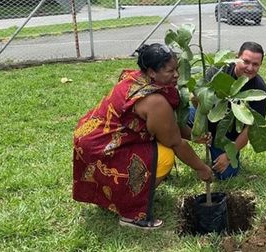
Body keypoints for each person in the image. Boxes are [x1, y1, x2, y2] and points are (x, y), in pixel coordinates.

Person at [72, 43, 213, 230]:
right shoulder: (154, 101)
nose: (177, 75)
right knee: (163, 158)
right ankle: (130, 214)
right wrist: (202, 168)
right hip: (101, 148)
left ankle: (114, 196)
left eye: (177, 69)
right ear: (152, 72)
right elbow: (175, 142)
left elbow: (169, 125)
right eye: (170, 71)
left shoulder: (139, 78)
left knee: (158, 152)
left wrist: (194, 136)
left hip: (94, 137)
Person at [190, 41, 266, 180]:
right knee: (172, 119)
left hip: (225, 137)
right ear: (236, 58)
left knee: (227, 174)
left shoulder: (260, 90)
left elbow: (250, 128)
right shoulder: (217, 72)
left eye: (255, 64)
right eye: (246, 61)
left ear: (260, 65)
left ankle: (218, 151)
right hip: (205, 119)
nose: (250, 68)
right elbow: (196, 100)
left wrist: (228, 156)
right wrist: (201, 128)